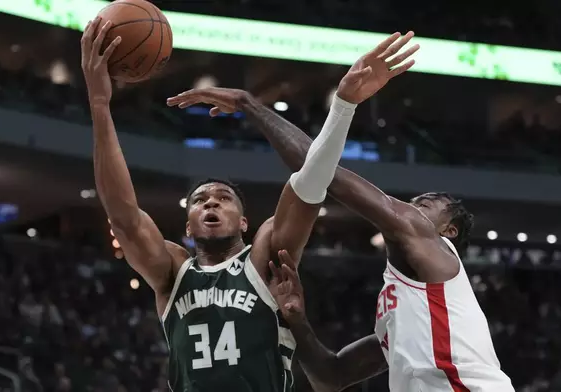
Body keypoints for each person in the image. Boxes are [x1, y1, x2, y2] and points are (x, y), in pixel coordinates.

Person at [81, 16, 415, 392]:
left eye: (224, 199)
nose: (211, 203)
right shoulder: (172, 271)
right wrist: (99, 103)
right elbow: (123, 216)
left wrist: (343, 106)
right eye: (200, 200)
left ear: (244, 222)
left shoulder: (264, 257)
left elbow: (309, 182)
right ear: (188, 225)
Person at [166, 35, 514, 392]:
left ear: (449, 232)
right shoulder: (408, 306)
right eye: (413, 203)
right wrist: (296, 320)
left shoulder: (428, 245)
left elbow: (318, 172)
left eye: (427, 205)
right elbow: (330, 377)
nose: (412, 208)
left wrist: (250, 104)